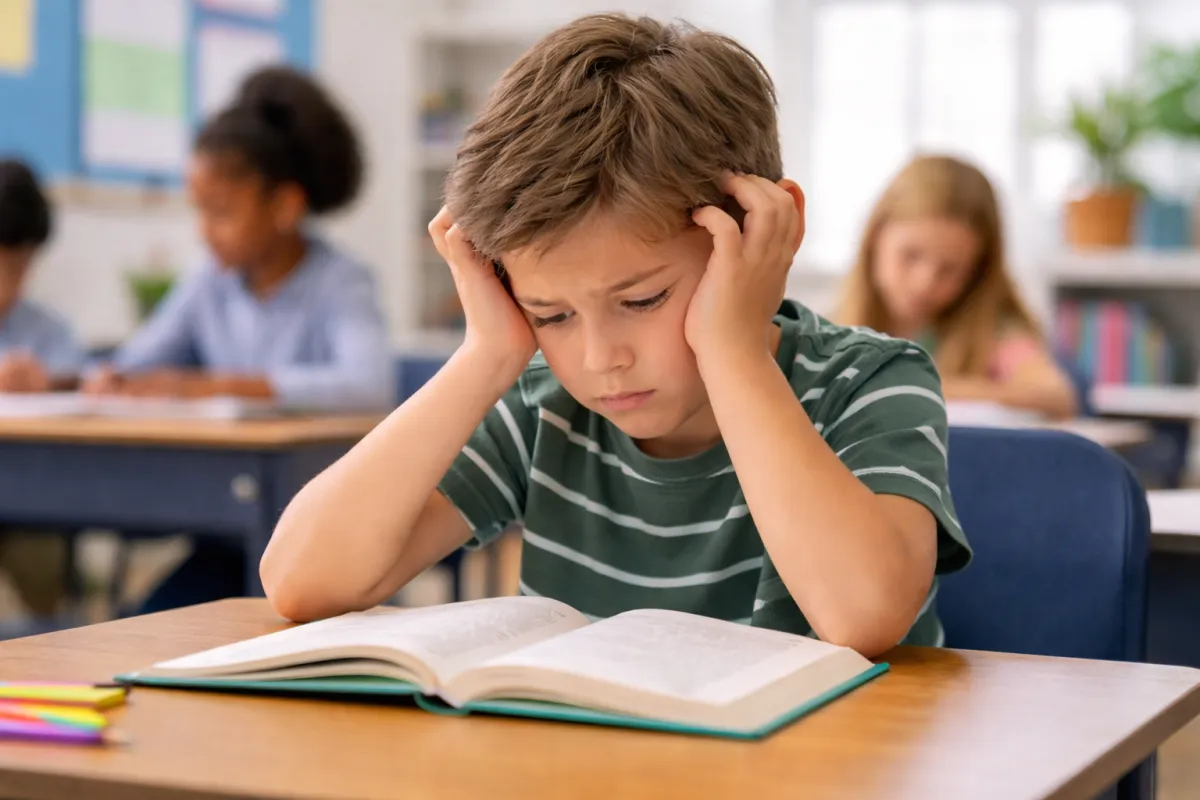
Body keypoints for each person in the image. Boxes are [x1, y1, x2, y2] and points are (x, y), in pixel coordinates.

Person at [261, 14, 971, 658]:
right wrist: (488, 354)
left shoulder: (871, 382)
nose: (601, 360)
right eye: (552, 314)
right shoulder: (544, 409)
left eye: (642, 298)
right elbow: (301, 580)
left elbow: (863, 615)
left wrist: (731, 352)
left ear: (763, 232)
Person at [100, 66, 394, 612]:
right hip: (226, 532)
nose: (204, 231)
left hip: (322, 534)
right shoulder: (209, 280)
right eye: (200, 210)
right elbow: (138, 361)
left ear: (284, 206)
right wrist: (93, 377)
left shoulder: (341, 281)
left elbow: (368, 384)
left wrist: (220, 387)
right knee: (142, 623)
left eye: (222, 212)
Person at [837, 154, 1077, 419]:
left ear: (977, 271)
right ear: (875, 237)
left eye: (950, 268)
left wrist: (922, 384)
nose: (924, 283)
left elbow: (1056, 397)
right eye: (910, 255)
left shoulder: (995, 333)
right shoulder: (826, 329)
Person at [0, 159, 85, 393]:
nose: (5, 285)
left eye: (18, 267)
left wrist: (49, 383)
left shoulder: (52, 331)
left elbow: (80, 382)